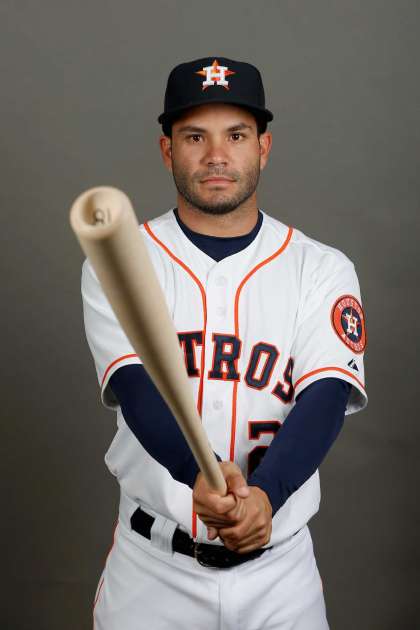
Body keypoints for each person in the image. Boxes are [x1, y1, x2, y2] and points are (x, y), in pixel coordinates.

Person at [81, 57, 367, 629]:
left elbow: (327, 396)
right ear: (167, 150)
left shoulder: (321, 269)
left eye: (236, 135)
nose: (216, 155)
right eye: (194, 136)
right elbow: (136, 388)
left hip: (280, 577)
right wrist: (197, 473)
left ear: (263, 147)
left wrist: (265, 495)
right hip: (152, 574)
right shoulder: (121, 259)